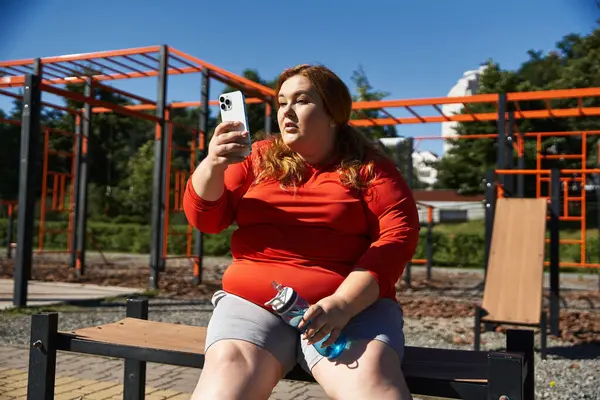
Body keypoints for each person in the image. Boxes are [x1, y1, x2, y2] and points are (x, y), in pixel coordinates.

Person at [183, 64, 420, 400]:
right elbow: (206, 220)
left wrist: (342, 303)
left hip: (349, 311)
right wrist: (212, 164)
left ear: (333, 113)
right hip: (255, 304)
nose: (287, 112)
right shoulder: (257, 158)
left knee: (372, 386)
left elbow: (397, 238)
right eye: (281, 103)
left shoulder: (371, 168)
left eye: (302, 101)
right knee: (226, 375)